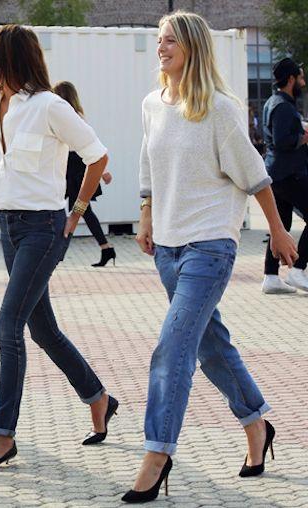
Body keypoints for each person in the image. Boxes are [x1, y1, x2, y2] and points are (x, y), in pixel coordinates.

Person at [125, 12, 297, 503]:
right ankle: (257, 424)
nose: (161, 47)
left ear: (193, 47)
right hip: (167, 248)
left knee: (172, 349)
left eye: (170, 40)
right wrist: (146, 216)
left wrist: (278, 232)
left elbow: (255, 177)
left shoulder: (220, 109)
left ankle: (157, 454)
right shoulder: (152, 104)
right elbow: (148, 165)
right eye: (159, 39)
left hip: (210, 246)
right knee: (210, 347)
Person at [0, 25, 117, 472]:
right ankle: (98, 397)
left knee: (8, 325)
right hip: (8, 225)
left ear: (10, 56)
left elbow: (97, 156)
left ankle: (2, 436)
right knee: (43, 329)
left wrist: (77, 211)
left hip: (43, 229)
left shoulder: (50, 106)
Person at [53, 81, 117, 267]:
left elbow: (90, 148)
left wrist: (102, 172)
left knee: (80, 210)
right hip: (72, 167)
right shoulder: (70, 116)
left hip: (77, 168)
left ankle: (60, 253)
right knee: (81, 211)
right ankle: (105, 248)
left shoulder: (73, 117)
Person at [261, 58, 308, 294]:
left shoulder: (273, 102)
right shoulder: (283, 106)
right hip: (289, 174)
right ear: (290, 80)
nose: (303, 82)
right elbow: (281, 141)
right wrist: (303, 138)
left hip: (276, 174)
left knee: (281, 225)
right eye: (300, 78)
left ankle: (271, 277)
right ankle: (298, 270)